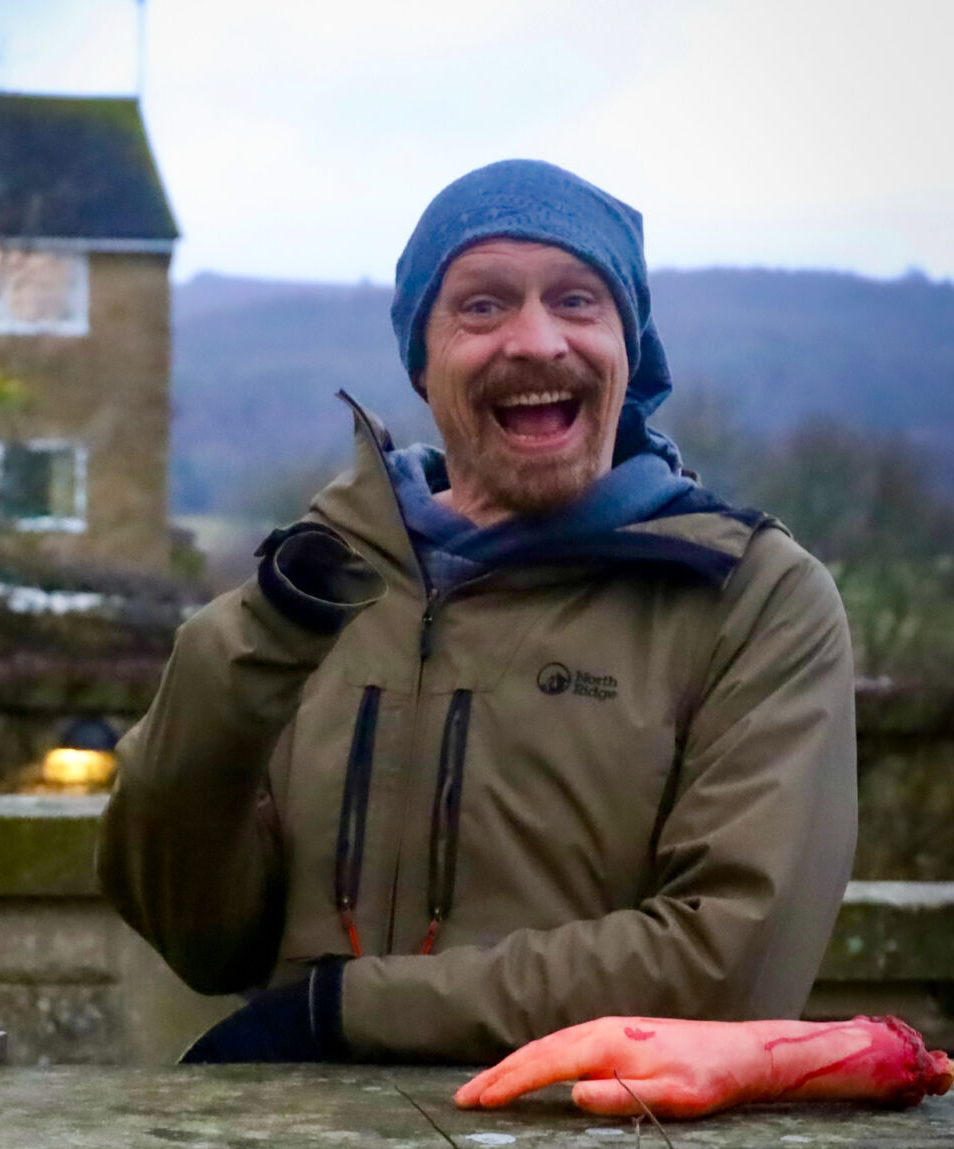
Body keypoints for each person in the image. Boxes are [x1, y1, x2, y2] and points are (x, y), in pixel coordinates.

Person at [98, 159, 857, 1067]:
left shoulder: (751, 597)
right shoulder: (321, 583)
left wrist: (340, 1012)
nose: (536, 342)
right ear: (423, 364)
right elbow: (199, 934)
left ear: (632, 351)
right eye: (483, 306)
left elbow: (731, 965)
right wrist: (251, 641)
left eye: (578, 301)